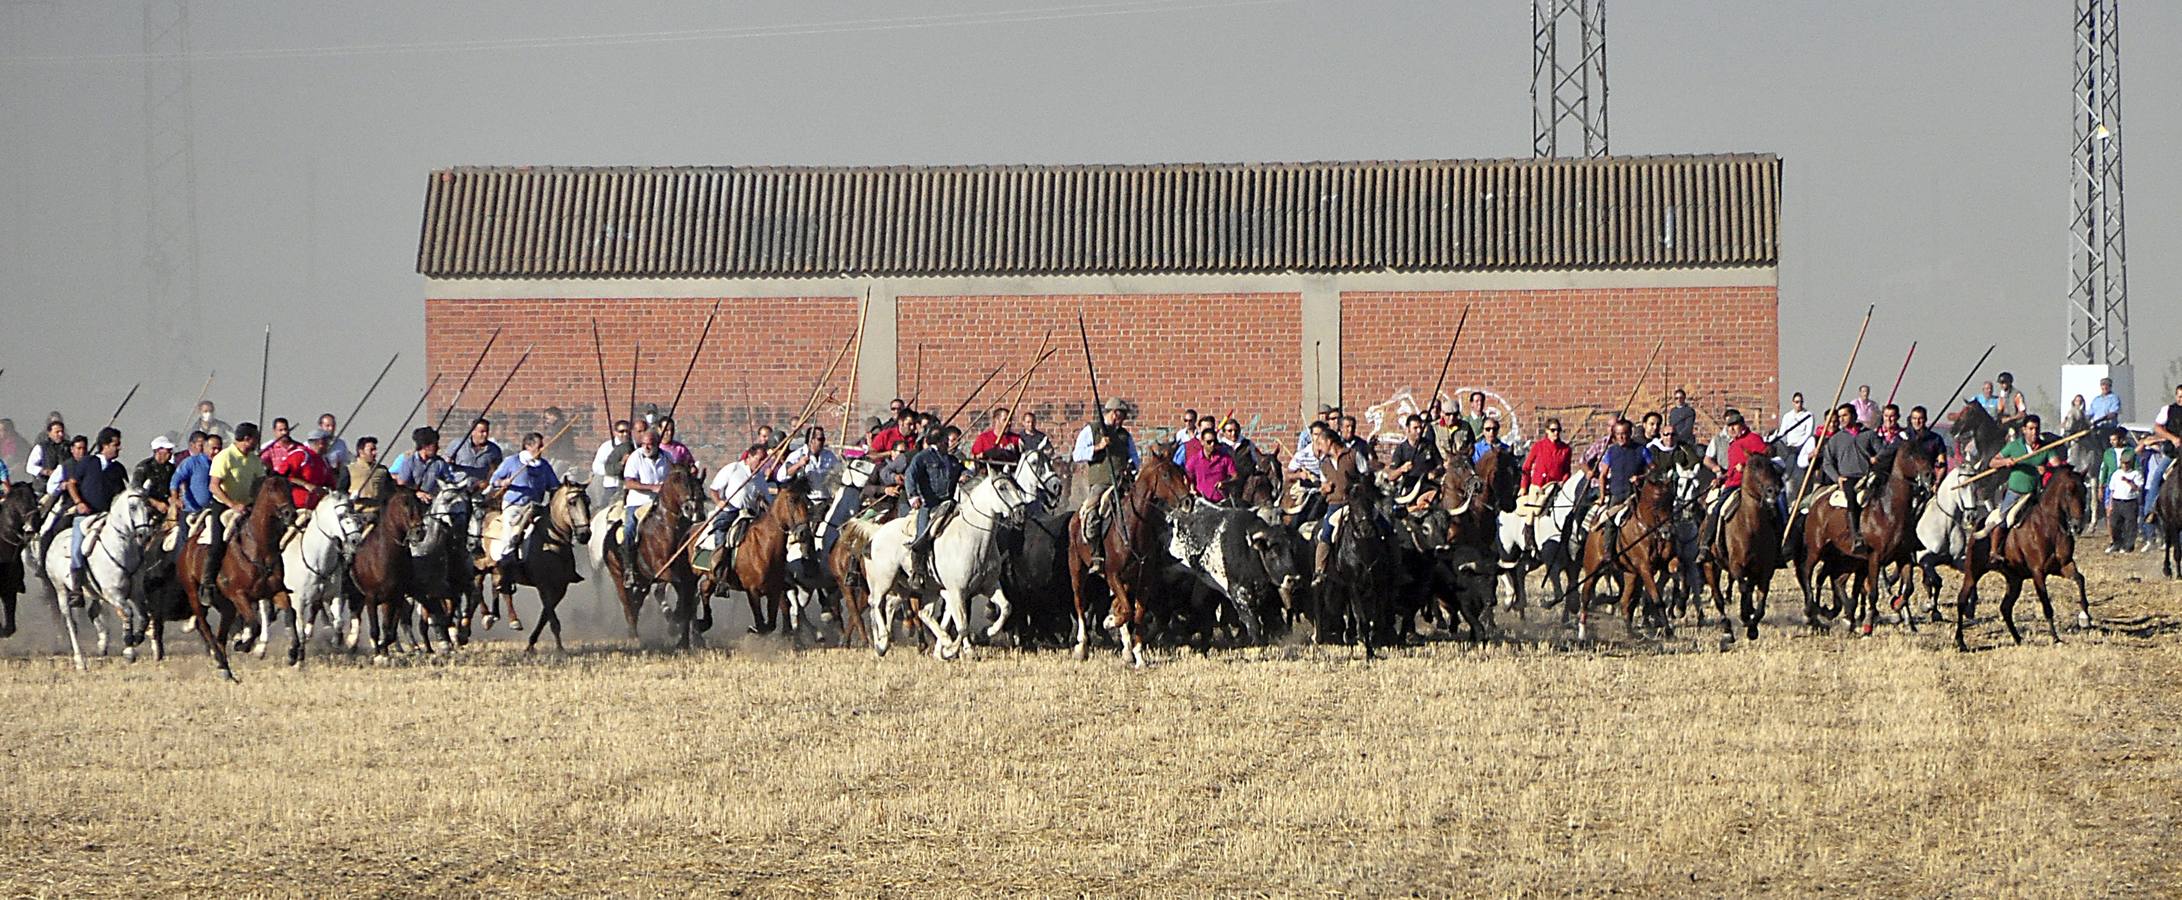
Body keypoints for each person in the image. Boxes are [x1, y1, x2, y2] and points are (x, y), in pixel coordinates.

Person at [1977, 415, 2063, 556]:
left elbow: (2057, 465)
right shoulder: (2014, 446)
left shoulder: (2045, 448)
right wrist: (2005, 462)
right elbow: (1993, 462)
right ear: (2024, 430)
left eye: (2036, 429)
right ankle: (1994, 551)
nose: (2034, 432)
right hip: (2015, 493)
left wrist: (2046, 469)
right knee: (2003, 520)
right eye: (2030, 429)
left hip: (2035, 494)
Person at [1073, 399, 1138, 573]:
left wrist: (1133, 467)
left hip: (1122, 481)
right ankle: (1096, 553)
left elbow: (1134, 457)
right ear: (1114, 413)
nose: (1122, 420)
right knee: (1092, 512)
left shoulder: (1125, 436)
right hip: (1102, 483)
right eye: (1121, 415)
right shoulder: (1093, 430)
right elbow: (1077, 454)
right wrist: (1098, 447)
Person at [61, 428, 127, 601]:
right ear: (104, 445)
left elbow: (121, 494)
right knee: (77, 549)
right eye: (116, 444)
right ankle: (76, 590)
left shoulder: (118, 469)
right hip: (86, 516)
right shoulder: (87, 462)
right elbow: (71, 484)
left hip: (107, 517)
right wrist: (79, 503)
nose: (119, 448)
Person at [203, 423, 268, 598]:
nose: (256, 442)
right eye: (255, 438)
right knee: (217, 543)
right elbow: (214, 486)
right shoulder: (225, 457)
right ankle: (207, 583)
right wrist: (232, 504)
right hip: (224, 505)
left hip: (248, 507)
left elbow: (261, 482)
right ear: (247, 439)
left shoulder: (254, 459)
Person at [488, 432, 562, 569]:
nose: (542, 449)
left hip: (535, 506)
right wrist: (503, 482)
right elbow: (494, 481)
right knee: (510, 531)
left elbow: (554, 486)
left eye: (542, 446)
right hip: (515, 506)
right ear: (528, 446)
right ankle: (505, 560)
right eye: (539, 446)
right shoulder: (512, 461)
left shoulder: (544, 465)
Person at [905, 426, 966, 581]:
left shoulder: (952, 460)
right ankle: (917, 572)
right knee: (922, 537)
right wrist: (913, 496)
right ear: (938, 442)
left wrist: (965, 475)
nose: (948, 444)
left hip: (950, 504)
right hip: (929, 505)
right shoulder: (922, 457)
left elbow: (964, 470)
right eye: (945, 441)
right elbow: (910, 475)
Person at [617, 426, 670, 592]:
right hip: (638, 502)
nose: (646, 447)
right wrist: (651, 487)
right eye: (644, 443)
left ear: (657, 444)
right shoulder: (636, 457)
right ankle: (629, 569)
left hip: (661, 504)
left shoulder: (666, 457)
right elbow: (629, 482)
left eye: (650, 444)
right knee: (629, 530)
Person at [1819, 404, 1879, 550]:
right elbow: (1827, 462)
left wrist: (1877, 458)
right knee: (1851, 500)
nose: (1841, 419)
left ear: (1854, 415)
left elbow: (1881, 451)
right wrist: (1837, 477)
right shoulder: (1836, 439)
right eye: (1840, 416)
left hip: (1868, 475)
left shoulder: (1869, 435)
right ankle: (1856, 536)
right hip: (1849, 477)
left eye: (1844, 415)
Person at [1308, 427, 1358, 586]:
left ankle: (1396, 568)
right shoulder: (1324, 464)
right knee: (1326, 533)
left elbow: (1366, 475)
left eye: (1320, 443)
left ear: (1329, 442)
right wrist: (1324, 489)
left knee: (1383, 526)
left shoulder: (1353, 455)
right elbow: (1323, 485)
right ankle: (1320, 571)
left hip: (1355, 502)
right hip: (1335, 505)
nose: (1319, 447)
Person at [2138, 383, 2182, 537]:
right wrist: (2173, 438)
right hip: (2174, 453)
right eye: (2179, 396)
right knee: (2158, 476)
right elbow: (2157, 427)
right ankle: (2151, 510)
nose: (2180, 399)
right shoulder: (2168, 410)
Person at [267, 427, 336, 511]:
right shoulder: (300, 455)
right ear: (320, 443)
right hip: (296, 507)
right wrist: (305, 484)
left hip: (318, 507)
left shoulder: (324, 461)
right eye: (327, 442)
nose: (329, 446)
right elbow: (281, 477)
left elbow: (331, 484)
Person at [1385, 414, 1442, 507]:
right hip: (1410, 489)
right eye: (1415, 428)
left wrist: (1435, 472)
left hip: (1429, 487)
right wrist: (1402, 469)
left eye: (1420, 427)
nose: (1419, 431)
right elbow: (1391, 476)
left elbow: (1440, 465)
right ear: (1407, 430)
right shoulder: (1401, 449)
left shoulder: (1429, 445)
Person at [1519, 418, 1574, 511]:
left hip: (1553, 487)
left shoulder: (1565, 449)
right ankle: (1528, 525)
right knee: (1532, 512)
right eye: (1553, 430)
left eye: (1558, 430)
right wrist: (1524, 486)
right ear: (1547, 431)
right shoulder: (1539, 446)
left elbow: (1567, 471)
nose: (1556, 433)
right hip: (1537, 485)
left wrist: (1563, 482)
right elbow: (1526, 467)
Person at [169, 432, 223, 524]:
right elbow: (175, 481)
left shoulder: (222, 463)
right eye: (213, 449)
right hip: (191, 511)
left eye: (219, 449)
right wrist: (175, 499)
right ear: (205, 448)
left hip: (214, 511)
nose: (216, 452)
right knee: (185, 537)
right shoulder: (191, 462)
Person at [2103, 436, 2143, 553]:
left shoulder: (2136, 474)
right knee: (2115, 524)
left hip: (2130, 502)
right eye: (2123, 463)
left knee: (2130, 525)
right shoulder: (2116, 474)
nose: (2125, 465)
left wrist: (2129, 482)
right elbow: (2112, 490)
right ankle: (2116, 543)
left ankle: (2128, 546)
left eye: (2127, 463)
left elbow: (2138, 488)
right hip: (2117, 501)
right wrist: (2110, 504)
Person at [391, 426, 453, 500]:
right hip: (412, 502)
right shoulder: (409, 461)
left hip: (432, 501)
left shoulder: (440, 463)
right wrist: (416, 493)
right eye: (435, 445)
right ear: (425, 446)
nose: (438, 448)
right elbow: (402, 485)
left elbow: (449, 482)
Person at [1183, 424, 1237, 503]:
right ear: (1202, 442)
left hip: (1222, 502)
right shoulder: (1194, 461)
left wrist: (1225, 483)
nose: (1212, 444)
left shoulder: (1225, 458)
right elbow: (1187, 479)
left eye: (1214, 441)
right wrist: (1191, 489)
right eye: (1209, 442)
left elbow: (1236, 477)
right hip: (1202, 502)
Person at [132, 435, 178, 516]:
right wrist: (155, 503)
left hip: (168, 507)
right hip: (147, 508)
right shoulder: (144, 467)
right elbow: (136, 488)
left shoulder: (171, 468)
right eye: (168, 450)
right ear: (158, 451)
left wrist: (172, 499)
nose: (170, 453)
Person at [450, 418, 504, 485]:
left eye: (487, 431)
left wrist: (488, 482)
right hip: (457, 486)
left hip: (478, 489)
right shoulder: (458, 444)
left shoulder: (494, 450)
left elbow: (497, 471)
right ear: (473, 432)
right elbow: (445, 463)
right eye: (482, 432)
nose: (485, 434)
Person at [346, 435, 392, 517]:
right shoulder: (349, 469)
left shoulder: (382, 470)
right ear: (361, 451)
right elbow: (340, 492)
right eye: (371, 450)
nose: (375, 453)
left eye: (375, 450)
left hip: (379, 513)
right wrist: (350, 496)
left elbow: (391, 490)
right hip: (358, 513)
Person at [592, 419, 635, 498]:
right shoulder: (607, 447)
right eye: (621, 431)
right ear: (615, 432)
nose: (625, 434)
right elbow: (596, 467)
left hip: (630, 487)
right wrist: (614, 469)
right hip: (612, 486)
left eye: (627, 431)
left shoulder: (634, 446)